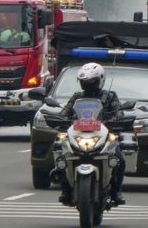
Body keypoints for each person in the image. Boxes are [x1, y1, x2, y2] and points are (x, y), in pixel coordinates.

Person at [58, 63, 126, 206]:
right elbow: (64, 113)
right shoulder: (77, 97)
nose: (87, 85)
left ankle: (116, 191)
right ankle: (65, 190)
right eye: (84, 82)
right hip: (79, 134)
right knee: (61, 157)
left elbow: (119, 113)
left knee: (120, 159)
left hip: (103, 135)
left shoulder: (110, 97)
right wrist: (60, 118)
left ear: (100, 80)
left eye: (91, 82)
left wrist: (116, 119)